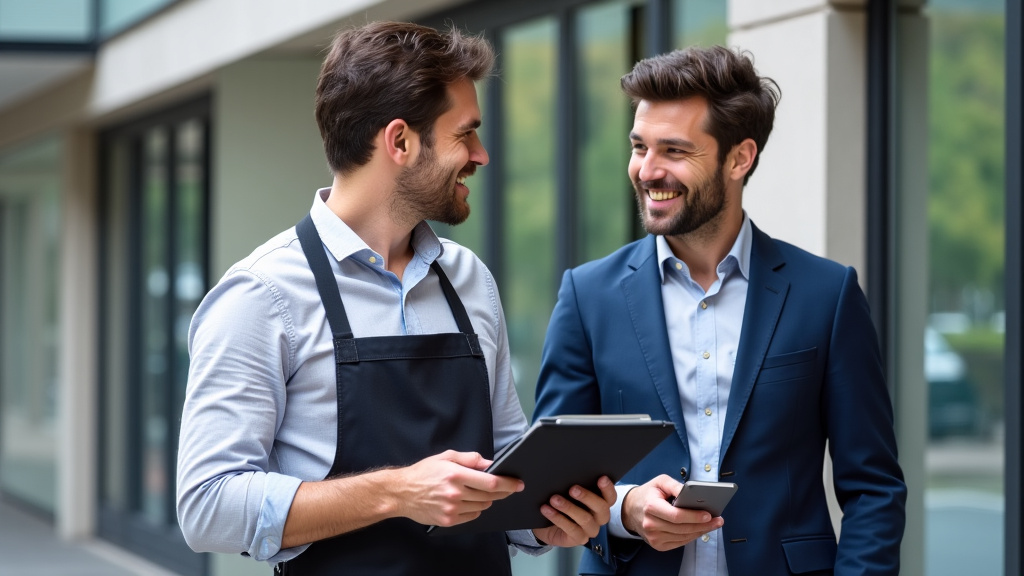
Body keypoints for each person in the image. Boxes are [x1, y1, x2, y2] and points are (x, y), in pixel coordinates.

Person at [176, 21, 615, 576]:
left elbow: (505, 464)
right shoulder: (261, 296)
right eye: (465, 134)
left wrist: (545, 517)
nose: (481, 155)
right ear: (400, 142)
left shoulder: (469, 279)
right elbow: (207, 507)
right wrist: (398, 492)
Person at [533, 45, 907, 575]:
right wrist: (628, 509)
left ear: (739, 158)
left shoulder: (827, 293)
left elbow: (874, 488)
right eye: (639, 146)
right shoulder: (587, 295)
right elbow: (550, 481)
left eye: (675, 151)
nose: (647, 170)